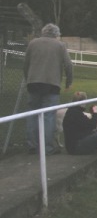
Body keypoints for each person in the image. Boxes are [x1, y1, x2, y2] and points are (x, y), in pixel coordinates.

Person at [24, 23, 73, 155]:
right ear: (56, 34)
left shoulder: (33, 43)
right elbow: (68, 65)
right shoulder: (60, 45)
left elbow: (26, 63)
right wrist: (69, 82)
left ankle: (32, 145)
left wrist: (28, 79)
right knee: (49, 116)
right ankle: (47, 147)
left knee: (32, 114)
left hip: (33, 84)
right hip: (51, 85)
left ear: (43, 32)